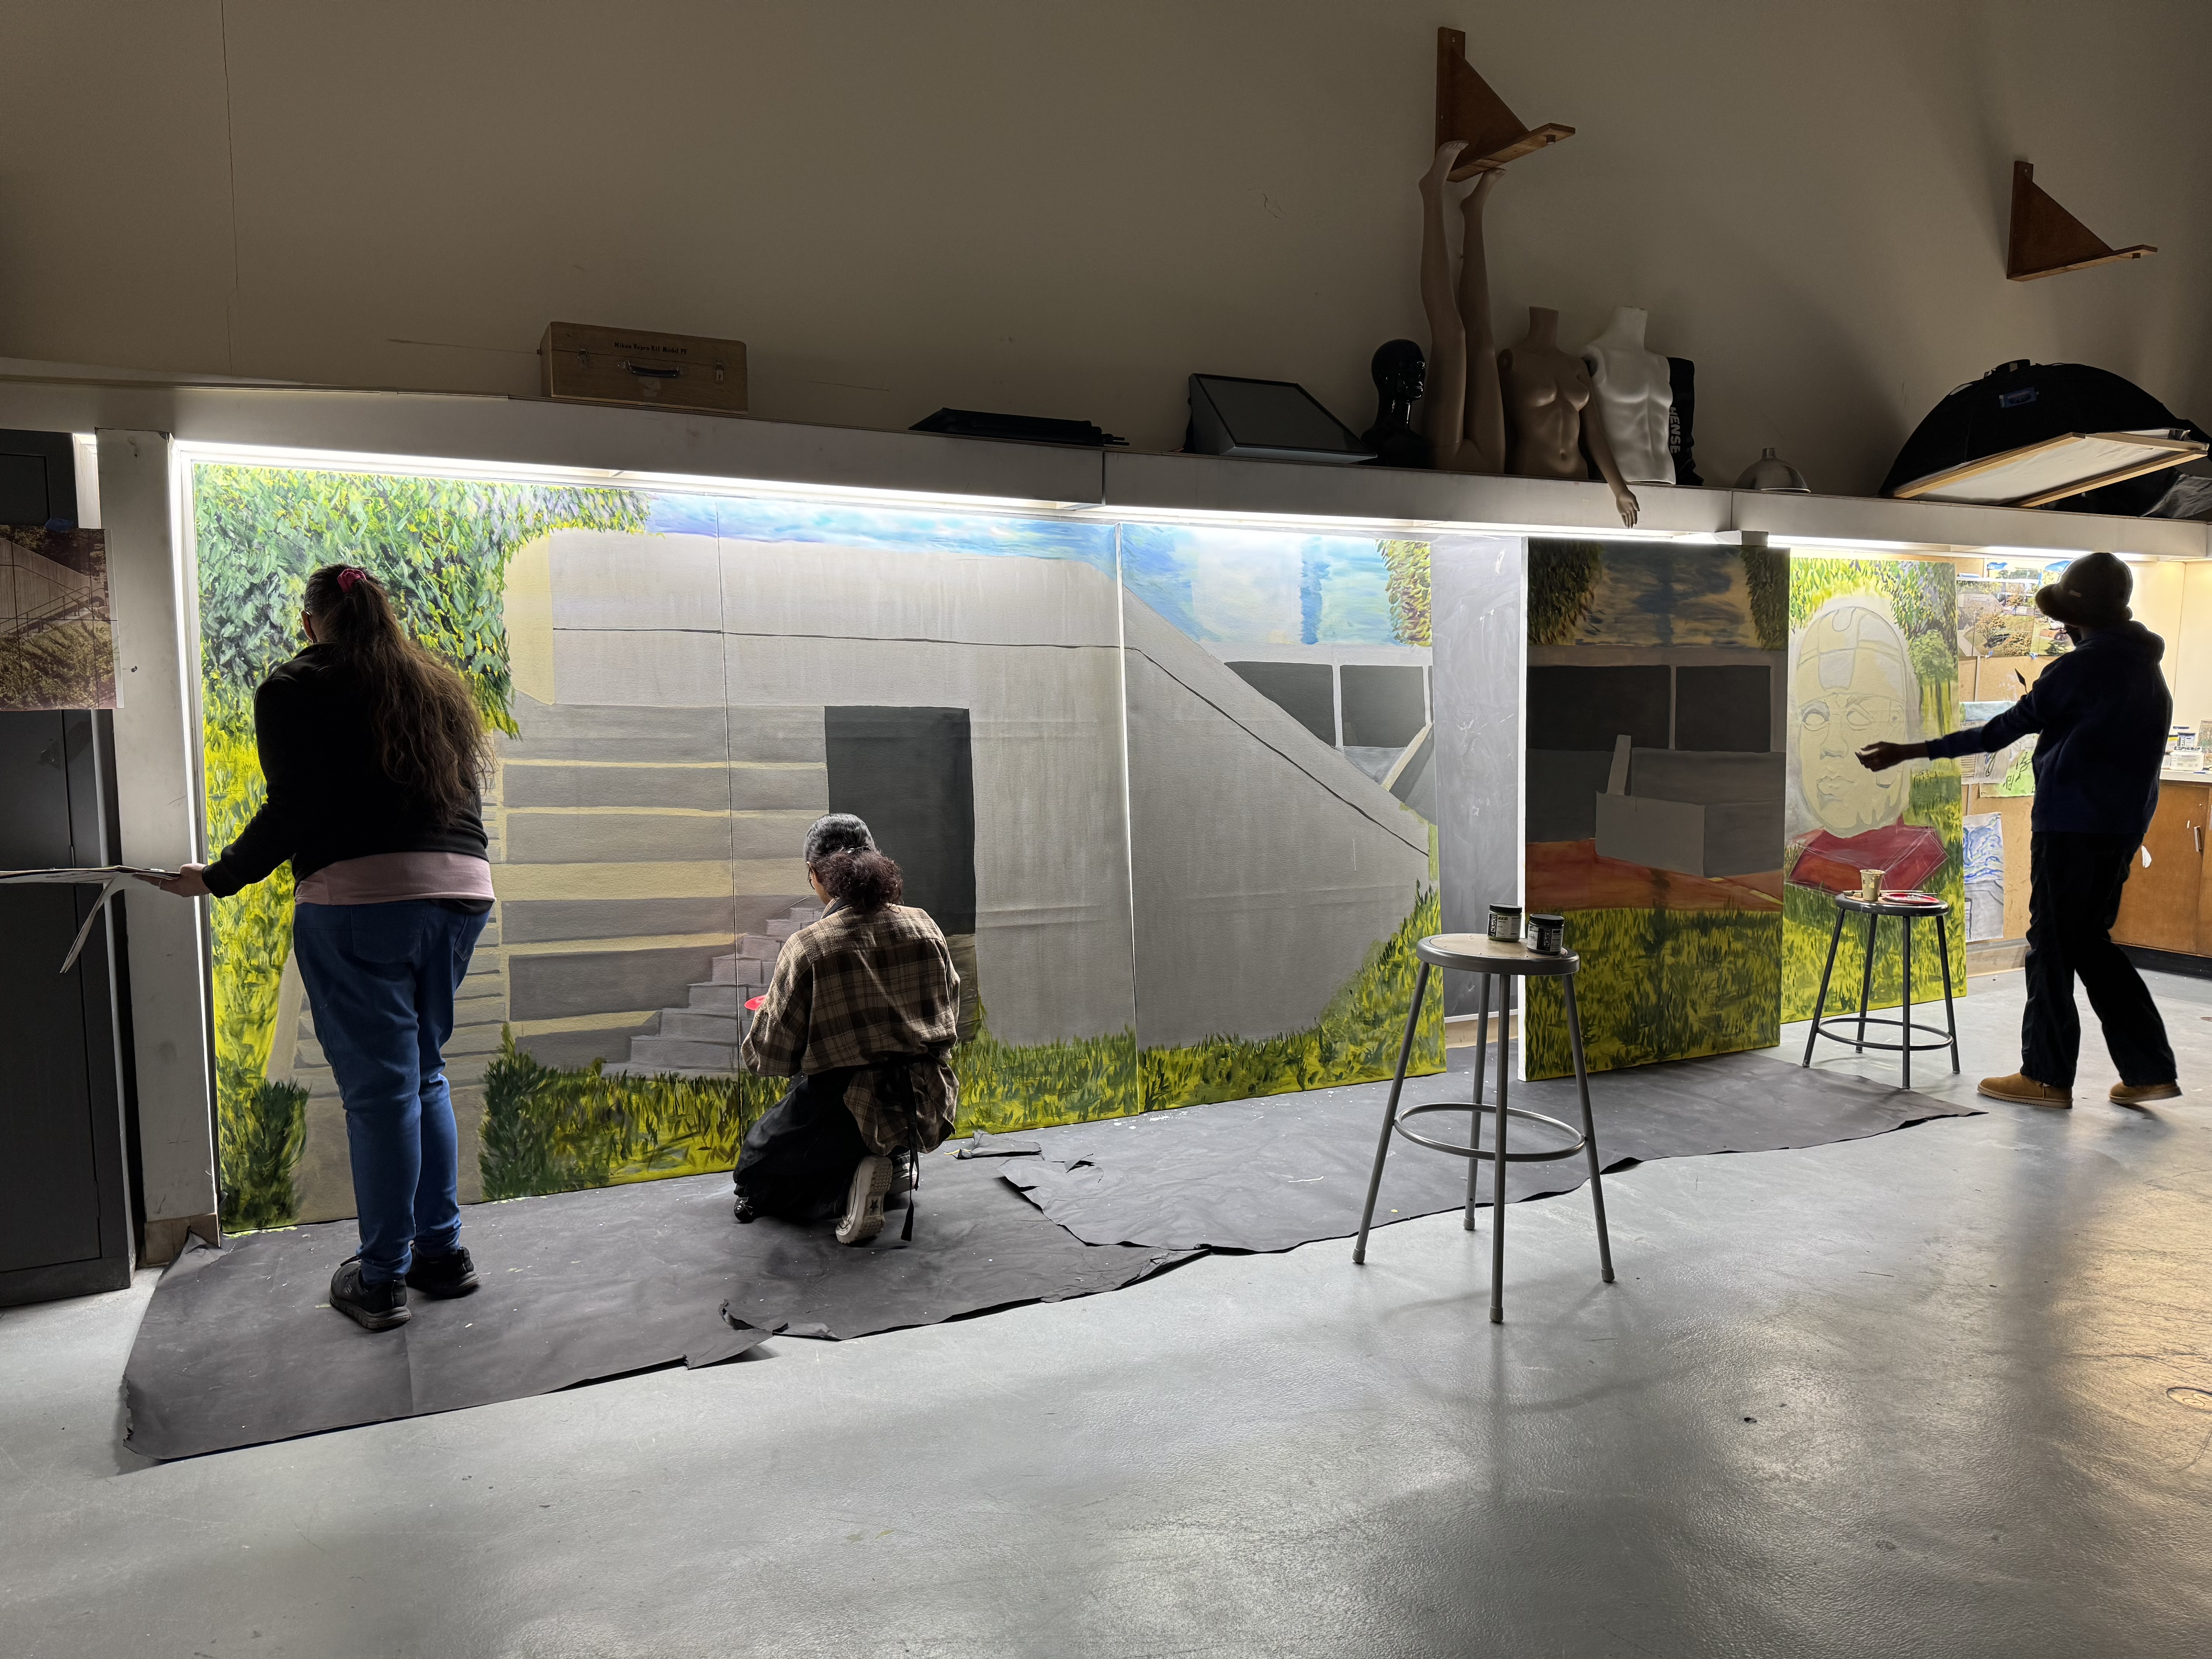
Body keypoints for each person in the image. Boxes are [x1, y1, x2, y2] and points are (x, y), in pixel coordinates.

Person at [140, 563, 495, 1329]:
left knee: (382, 1094)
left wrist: (219, 877)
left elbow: (294, 809)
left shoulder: (294, 687)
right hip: (465, 891)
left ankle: (381, 1279)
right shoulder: (433, 684)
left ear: (311, 624)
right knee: (423, 1071)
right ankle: (442, 1254)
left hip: (364, 901)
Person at [1856, 551, 2179, 1108]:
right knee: (2089, 944)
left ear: (2079, 618)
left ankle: (2047, 1077)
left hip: (2072, 829)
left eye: (2066, 619)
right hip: (2120, 830)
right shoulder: (2145, 668)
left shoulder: (2082, 668)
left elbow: (2002, 731)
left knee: (2051, 948)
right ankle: (2149, 1070)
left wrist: (1911, 751)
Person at [732, 813, 961, 1245]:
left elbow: (769, 1056)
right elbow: (948, 1019)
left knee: (753, 1175)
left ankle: (848, 1188)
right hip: (925, 1098)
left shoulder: (810, 945)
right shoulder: (925, 925)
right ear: (875, 860)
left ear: (816, 874)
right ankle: (892, 1163)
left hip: (843, 1104)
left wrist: (770, 1018)